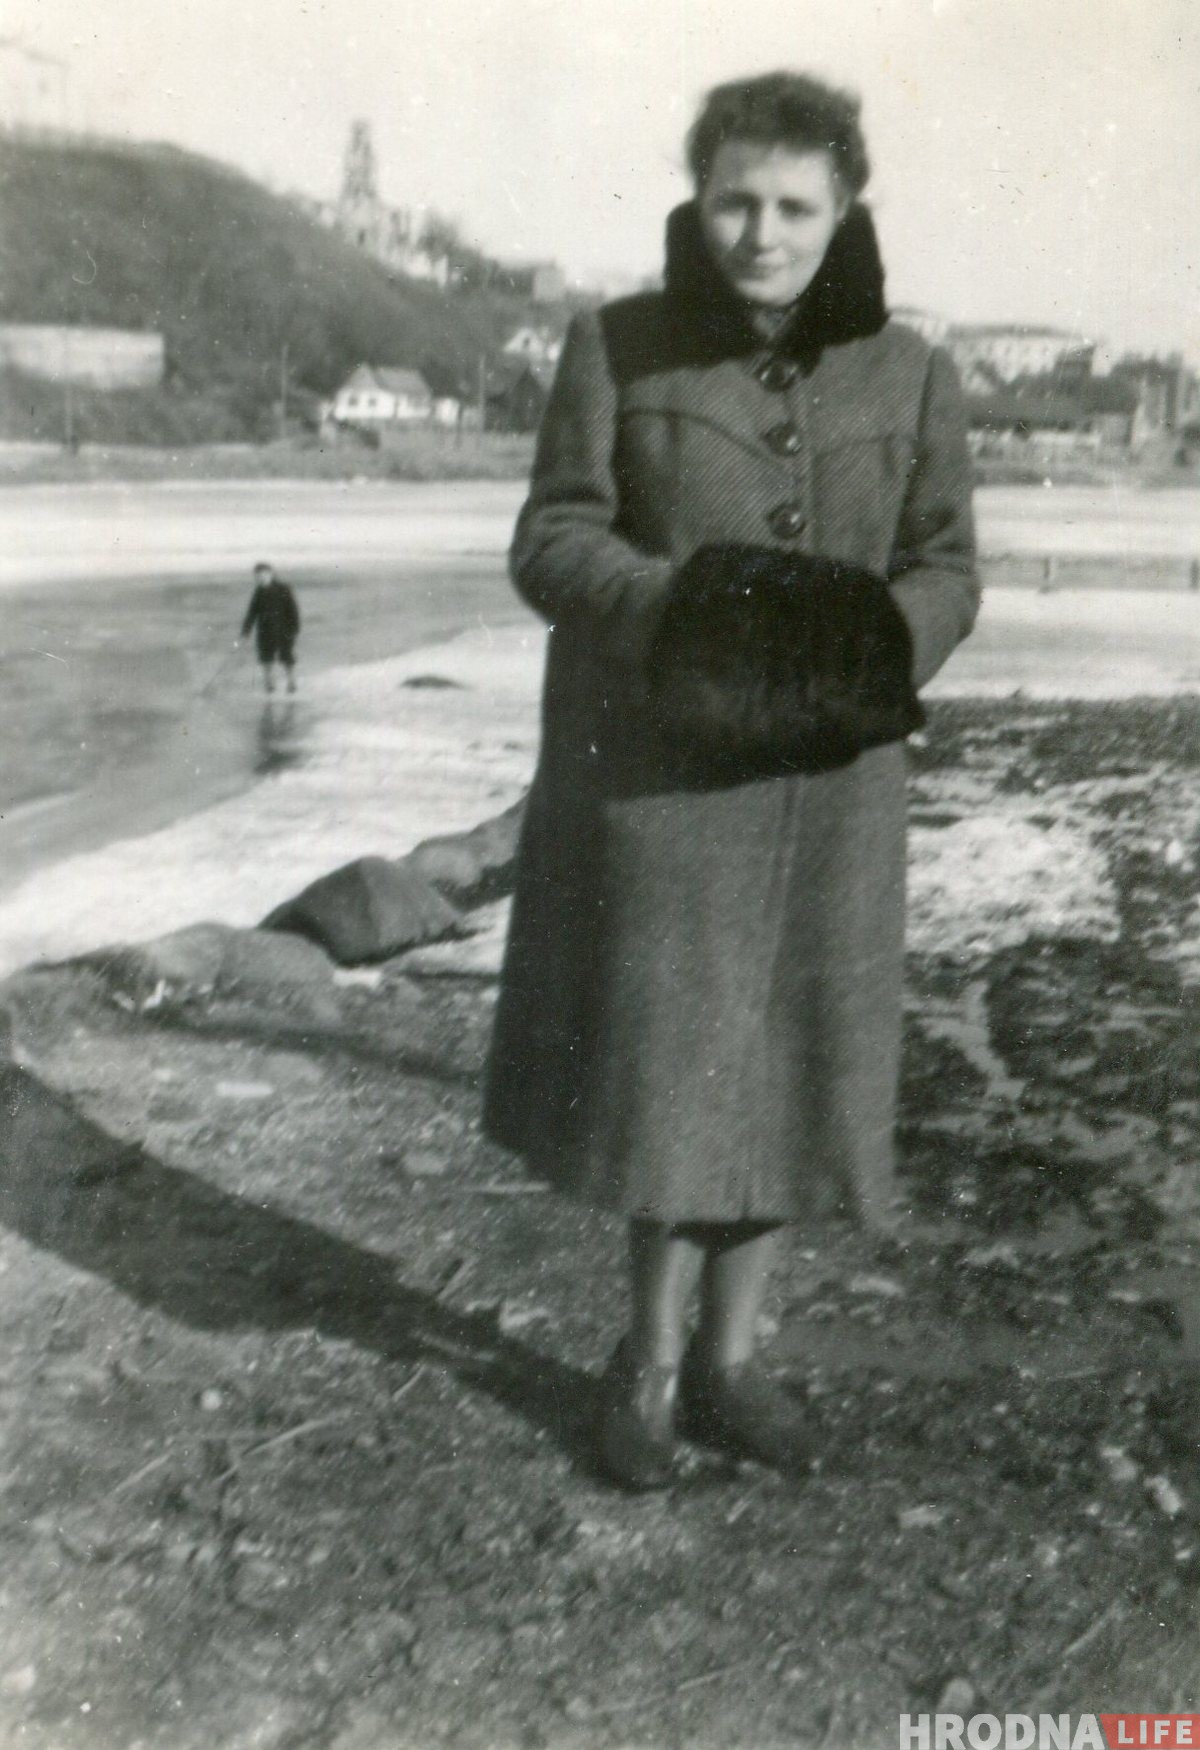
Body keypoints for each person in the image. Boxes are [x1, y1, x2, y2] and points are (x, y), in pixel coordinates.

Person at [483, 71, 979, 1489]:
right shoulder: (619, 346)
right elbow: (553, 539)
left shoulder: (912, 370)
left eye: (794, 206)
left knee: (797, 1063)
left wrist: (883, 640)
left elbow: (946, 561)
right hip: (667, 779)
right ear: (698, 201)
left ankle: (734, 1363)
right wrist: (679, 612)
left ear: (845, 210)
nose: (762, 232)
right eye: (735, 201)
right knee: (674, 1071)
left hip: (833, 788)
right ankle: (641, 1362)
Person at [240, 561, 300, 694]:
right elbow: (252, 613)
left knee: (287, 657)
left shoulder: (283, 588)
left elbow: (293, 610)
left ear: (271, 574)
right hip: (264, 631)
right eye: (258, 576)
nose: (261, 578)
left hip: (283, 630)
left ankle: (291, 682)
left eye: (264, 574)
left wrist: (294, 629)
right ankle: (269, 683)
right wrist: (246, 631)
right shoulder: (258, 592)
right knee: (266, 658)